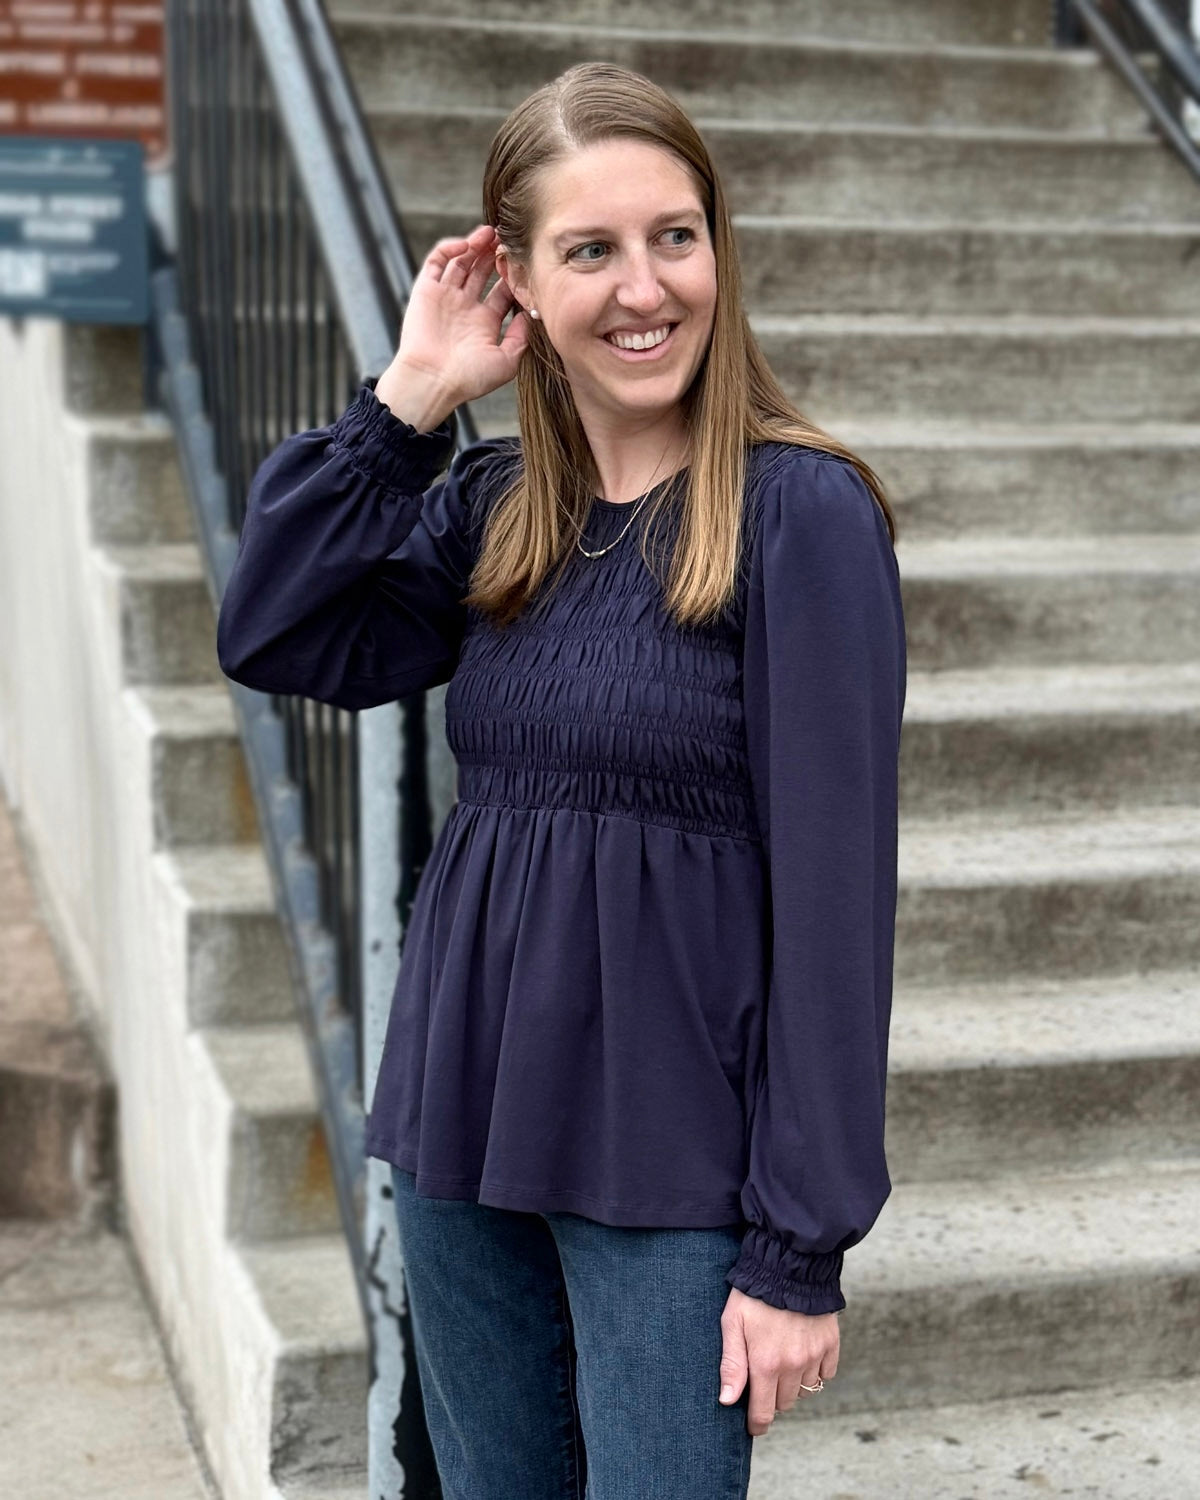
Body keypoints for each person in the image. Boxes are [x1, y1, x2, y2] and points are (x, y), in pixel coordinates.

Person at [216, 60, 906, 1500]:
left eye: (674, 235)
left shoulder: (801, 517)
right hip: (465, 1130)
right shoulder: (490, 509)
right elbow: (272, 624)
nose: (645, 287)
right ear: (518, 282)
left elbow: (838, 913)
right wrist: (409, 401)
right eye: (590, 250)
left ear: (718, 249)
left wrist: (799, 1248)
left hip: (671, 1165)